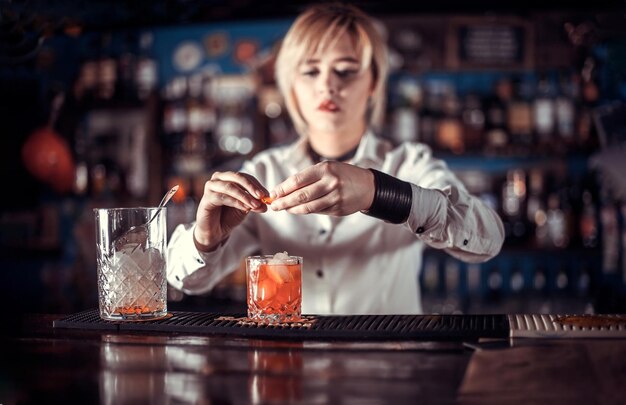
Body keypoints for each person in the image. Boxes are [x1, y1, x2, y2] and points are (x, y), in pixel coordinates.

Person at [167, 2, 505, 315]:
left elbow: (487, 240)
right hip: (291, 370)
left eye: (345, 70)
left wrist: (380, 193)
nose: (327, 85)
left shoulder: (409, 164)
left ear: (373, 82)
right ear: (291, 87)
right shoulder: (265, 171)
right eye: (311, 72)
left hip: (389, 369)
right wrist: (205, 237)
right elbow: (186, 281)